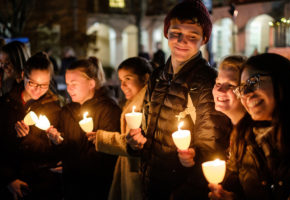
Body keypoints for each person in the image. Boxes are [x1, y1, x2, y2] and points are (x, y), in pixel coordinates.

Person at [126, 0, 231, 199]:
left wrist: (182, 194)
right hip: (151, 185)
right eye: (176, 33)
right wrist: (134, 144)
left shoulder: (207, 82)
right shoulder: (157, 76)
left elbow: (211, 151)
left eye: (192, 36)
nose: (182, 41)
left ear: (204, 39)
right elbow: (147, 133)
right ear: (166, 33)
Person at [209, 53, 290, 200]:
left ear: (282, 79)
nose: (245, 94)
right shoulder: (248, 138)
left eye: (253, 82)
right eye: (242, 88)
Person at [47, 57, 122, 200]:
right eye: (68, 83)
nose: (69, 88)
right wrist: (57, 141)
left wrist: (71, 166)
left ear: (91, 83)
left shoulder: (109, 110)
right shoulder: (67, 111)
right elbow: (66, 150)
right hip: (72, 188)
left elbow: (107, 154)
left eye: (74, 83)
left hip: (99, 188)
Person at [86, 57, 152, 200]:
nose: (122, 85)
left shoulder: (146, 105)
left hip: (140, 175)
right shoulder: (134, 102)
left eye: (128, 78)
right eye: (121, 80)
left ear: (145, 78)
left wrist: (102, 138)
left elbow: (134, 142)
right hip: (130, 173)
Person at [0, 52, 63, 200]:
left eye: (43, 85)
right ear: (23, 75)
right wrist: (8, 179)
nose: (37, 89)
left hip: (43, 185)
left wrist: (57, 141)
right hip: (12, 183)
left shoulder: (55, 108)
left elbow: (58, 153)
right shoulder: (5, 104)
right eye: (32, 83)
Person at [212, 55, 247, 126]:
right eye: (218, 83)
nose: (220, 90)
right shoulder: (224, 127)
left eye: (231, 85)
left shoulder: (255, 132)